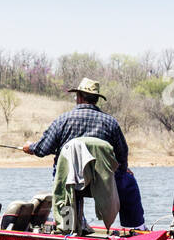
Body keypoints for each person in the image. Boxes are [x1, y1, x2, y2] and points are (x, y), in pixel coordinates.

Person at [22, 77, 143, 227]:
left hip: (69, 183)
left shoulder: (63, 121)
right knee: (129, 182)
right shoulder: (110, 123)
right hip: (102, 184)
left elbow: (42, 149)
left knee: (63, 182)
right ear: (96, 100)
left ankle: (67, 225)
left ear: (78, 97)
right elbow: (122, 153)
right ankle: (136, 228)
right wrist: (122, 169)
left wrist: (30, 147)